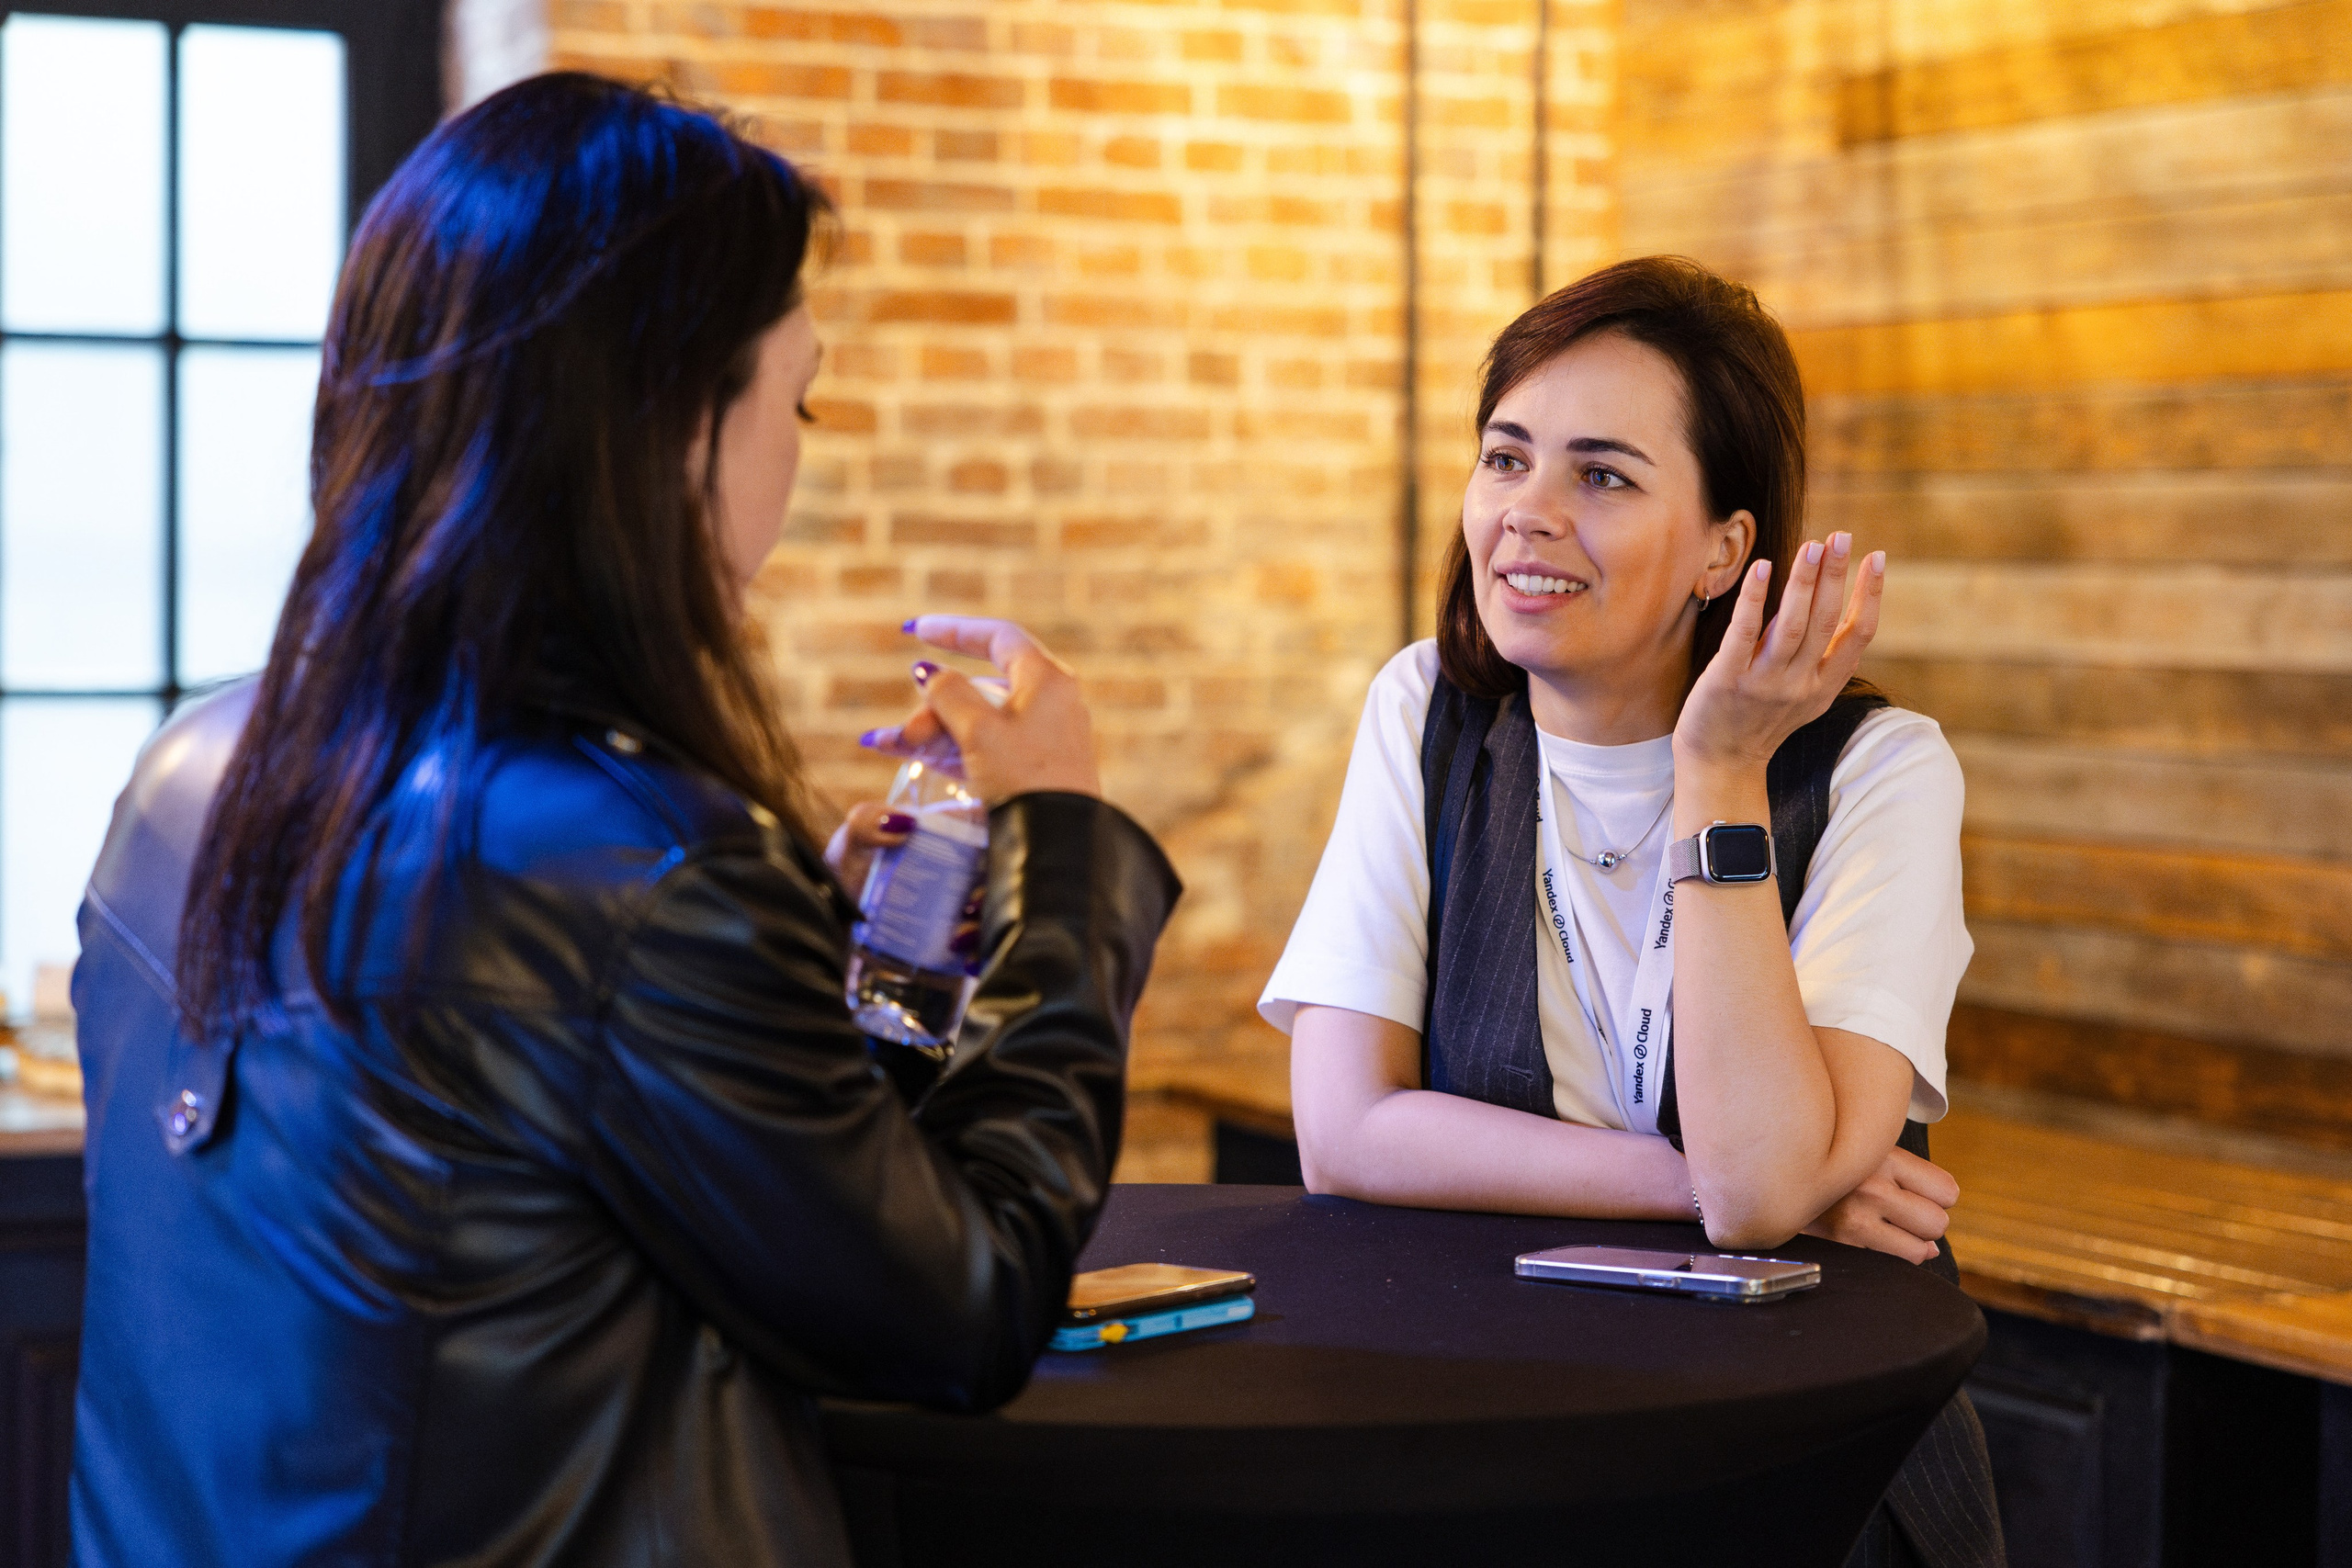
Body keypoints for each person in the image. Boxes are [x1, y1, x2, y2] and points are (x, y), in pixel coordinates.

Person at [69, 74, 1178, 1568]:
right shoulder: (638, 868)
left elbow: (501, 1223)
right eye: (798, 400)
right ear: (667, 429)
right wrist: (1066, 861)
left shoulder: (192, 765)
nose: (796, 452)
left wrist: (826, 958)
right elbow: (965, 1312)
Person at [1263, 256, 2001, 1568]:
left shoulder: (1880, 770)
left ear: (1728, 545)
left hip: (1805, 1463)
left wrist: (1717, 773)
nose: (1526, 515)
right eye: (1506, 458)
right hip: (1521, 1426)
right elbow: (1344, 1129)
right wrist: (1707, 1190)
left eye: (1601, 475)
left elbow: (1762, 1175)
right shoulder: (1432, 712)